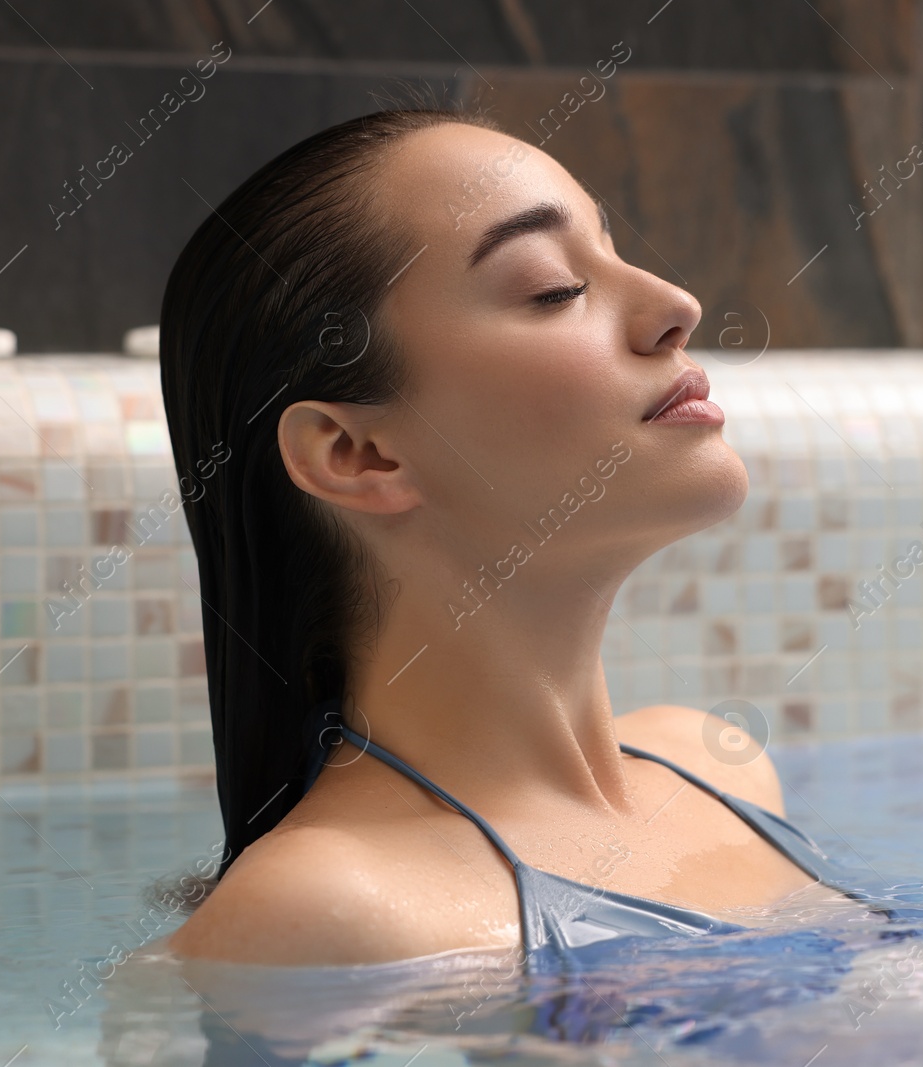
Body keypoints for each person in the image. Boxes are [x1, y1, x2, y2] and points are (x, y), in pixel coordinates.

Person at [157, 105, 876, 970]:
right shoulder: (328, 909)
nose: (677, 306)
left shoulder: (716, 770)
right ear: (359, 453)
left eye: (611, 249)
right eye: (553, 288)